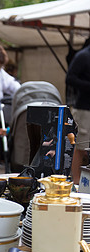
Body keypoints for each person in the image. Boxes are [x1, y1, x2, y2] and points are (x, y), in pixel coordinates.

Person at [66, 43, 90, 184]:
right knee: (80, 147)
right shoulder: (83, 56)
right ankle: (76, 182)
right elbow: (70, 78)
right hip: (84, 109)